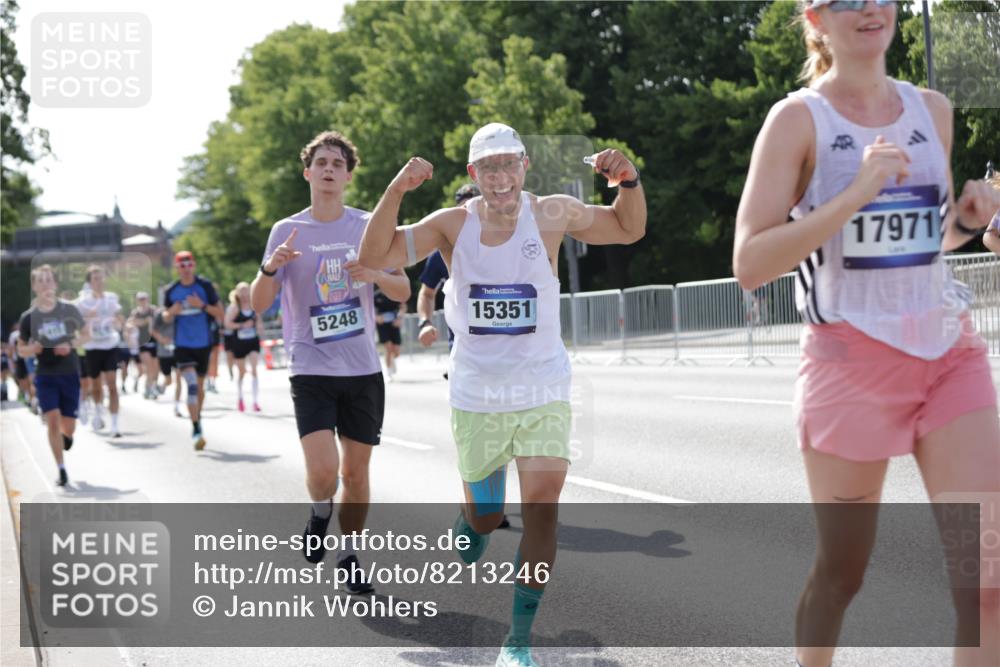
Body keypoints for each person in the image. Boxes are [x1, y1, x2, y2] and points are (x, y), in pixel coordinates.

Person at [732, 2, 1000, 666]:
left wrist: (966, 222)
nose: (869, 8)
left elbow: (921, 240)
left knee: (988, 581)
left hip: (948, 353)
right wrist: (853, 192)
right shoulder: (798, 121)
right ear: (816, 18)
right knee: (842, 574)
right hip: (850, 365)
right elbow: (751, 262)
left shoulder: (931, 110)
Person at [360, 122, 646, 667]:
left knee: (542, 511)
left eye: (508, 164)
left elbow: (627, 229)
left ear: (524, 166)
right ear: (474, 173)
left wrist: (629, 182)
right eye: (488, 168)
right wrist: (396, 190)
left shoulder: (552, 213)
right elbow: (377, 254)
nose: (500, 178)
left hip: (543, 387)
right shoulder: (451, 225)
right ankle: (472, 520)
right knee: (487, 519)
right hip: (478, 394)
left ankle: (517, 640)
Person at [250, 130, 411, 594]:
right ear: (307, 173)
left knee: (356, 475)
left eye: (337, 164)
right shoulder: (287, 230)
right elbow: (259, 303)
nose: (328, 169)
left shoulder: (368, 225)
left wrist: (375, 273)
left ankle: (350, 554)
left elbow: (402, 289)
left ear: (348, 176)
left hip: (362, 369)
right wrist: (271, 267)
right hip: (311, 367)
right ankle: (320, 510)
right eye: (321, 162)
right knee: (323, 472)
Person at [18, 265, 86, 486]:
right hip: (46, 375)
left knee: (69, 426)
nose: (45, 284)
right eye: (41, 281)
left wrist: (70, 344)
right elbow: (21, 349)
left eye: (49, 280)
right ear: (34, 286)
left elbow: (86, 334)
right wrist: (32, 349)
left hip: (69, 373)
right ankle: (61, 469)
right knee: (53, 421)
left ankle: (67, 437)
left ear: (55, 284)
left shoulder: (69, 310)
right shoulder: (28, 318)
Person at [163, 251, 225, 450]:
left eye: (189, 264)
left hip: (203, 344)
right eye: (182, 265)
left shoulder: (205, 286)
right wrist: (171, 312)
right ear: (177, 268)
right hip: (182, 345)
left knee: (199, 388)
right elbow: (164, 317)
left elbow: (220, 314)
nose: (186, 269)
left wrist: (202, 305)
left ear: (194, 265)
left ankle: (197, 416)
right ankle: (196, 427)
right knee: (190, 385)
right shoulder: (171, 290)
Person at [77, 265, 124, 437]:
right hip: (92, 347)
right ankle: (97, 412)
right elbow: (75, 324)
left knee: (112, 385)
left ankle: (115, 425)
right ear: (90, 283)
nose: (99, 281)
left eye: (101, 278)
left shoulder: (111, 298)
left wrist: (120, 323)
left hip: (110, 344)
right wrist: (88, 318)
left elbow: (119, 318)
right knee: (96, 386)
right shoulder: (83, 302)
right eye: (95, 279)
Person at [224, 282, 263, 412]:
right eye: (242, 291)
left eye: (247, 290)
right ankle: (240, 398)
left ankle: (255, 401)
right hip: (239, 343)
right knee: (242, 372)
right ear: (238, 294)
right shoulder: (235, 308)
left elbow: (259, 321)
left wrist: (259, 328)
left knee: (254, 369)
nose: (245, 294)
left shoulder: (254, 305)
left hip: (253, 341)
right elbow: (227, 324)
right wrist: (241, 325)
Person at [150, 304, 183, 417]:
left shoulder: (181, 312)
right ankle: (162, 387)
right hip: (164, 352)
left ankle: (177, 406)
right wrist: (162, 339)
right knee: (169, 380)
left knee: (179, 378)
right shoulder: (160, 314)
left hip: (178, 350)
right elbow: (152, 330)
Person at [127, 292, 159, 399]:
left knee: (155, 368)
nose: (143, 301)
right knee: (148, 366)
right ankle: (148, 388)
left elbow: (159, 321)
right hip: (143, 342)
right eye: (140, 299)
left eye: (144, 298)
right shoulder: (136, 312)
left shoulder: (153, 310)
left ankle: (152, 386)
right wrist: (145, 321)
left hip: (155, 341)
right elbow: (131, 323)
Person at [373, 286, 405, 380]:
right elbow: (369, 308)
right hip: (382, 325)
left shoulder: (394, 293)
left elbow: (403, 307)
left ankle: (392, 360)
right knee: (389, 348)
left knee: (396, 352)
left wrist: (399, 318)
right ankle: (388, 372)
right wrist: (376, 317)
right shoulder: (376, 295)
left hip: (394, 324)